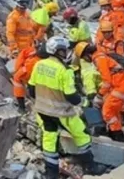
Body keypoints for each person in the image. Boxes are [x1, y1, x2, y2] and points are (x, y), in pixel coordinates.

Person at [28, 36, 105, 178]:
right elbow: (71, 96)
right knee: (82, 134)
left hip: (42, 110)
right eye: (63, 50)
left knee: (50, 139)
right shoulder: (64, 70)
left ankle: (51, 173)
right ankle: (90, 167)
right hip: (61, 112)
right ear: (56, 51)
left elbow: (31, 89)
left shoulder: (39, 64)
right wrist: (86, 103)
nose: (66, 53)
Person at [77, 44, 124, 142]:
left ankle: (117, 135)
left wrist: (99, 95)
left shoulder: (99, 59)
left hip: (121, 86)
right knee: (114, 112)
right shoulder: (101, 56)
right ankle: (114, 131)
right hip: (122, 84)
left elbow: (107, 81)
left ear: (87, 54)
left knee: (107, 111)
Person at [12, 40, 43, 113]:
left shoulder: (26, 52)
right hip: (39, 71)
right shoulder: (29, 51)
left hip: (30, 70)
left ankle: (22, 107)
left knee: (17, 79)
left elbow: (18, 66)